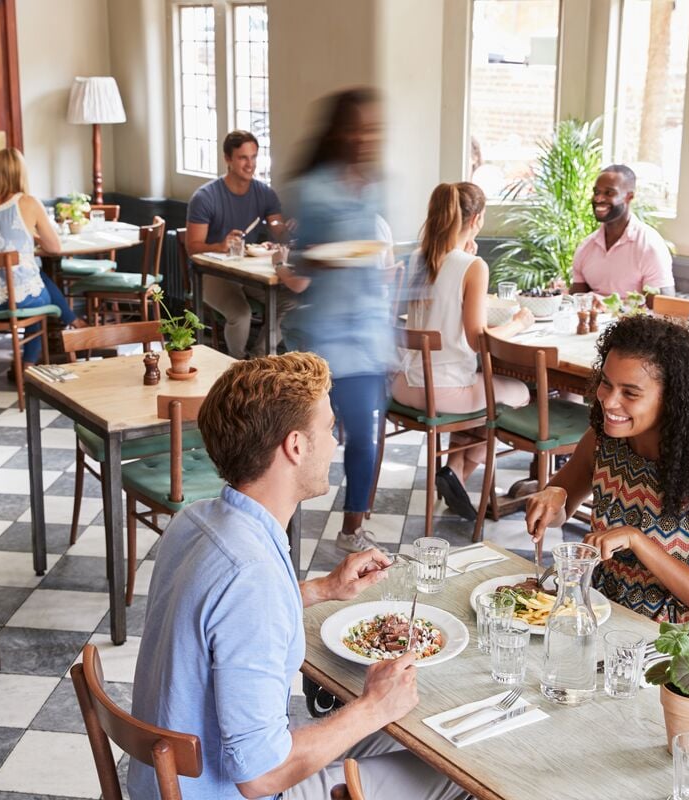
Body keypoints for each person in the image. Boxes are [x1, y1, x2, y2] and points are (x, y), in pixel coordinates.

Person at [127, 352, 466, 800]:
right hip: (226, 790)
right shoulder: (253, 576)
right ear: (295, 446)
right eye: (327, 428)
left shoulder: (197, 519)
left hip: (169, 781)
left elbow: (222, 620)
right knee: (451, 773)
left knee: (427, 737)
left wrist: (324, 589)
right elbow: (260, 775)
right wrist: (371, 706)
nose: (335, 441)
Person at [524, 314, 689, 634]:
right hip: (602, 618)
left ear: (672, 400)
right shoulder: (603, 441)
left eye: (630, 393)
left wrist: (637, 541)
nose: (608, 400)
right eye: (606, 383)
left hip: (679, 650)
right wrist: (553, 496)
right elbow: (559, 512)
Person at [278, 88, 393, 553]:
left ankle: (352, 527)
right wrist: (320, 261)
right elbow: (302, 261)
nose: (366, 137)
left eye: (373, 128)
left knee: (367, 435)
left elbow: (377, 262)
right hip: (323, 336)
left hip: (367, 334)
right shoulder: (312, 189)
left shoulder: (377, 186)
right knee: (302, 439)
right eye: (358, 127)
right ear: (339, 132)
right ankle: (280, 523)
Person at [393, 182, 533, 519]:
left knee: (482, 389)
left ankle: (454, 468)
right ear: (478, 219)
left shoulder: (417, 257)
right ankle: (458, 472)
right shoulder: (474, 266)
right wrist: (519, 322)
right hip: (441, 392)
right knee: (518, 392)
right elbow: (477, 339)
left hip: (403, 385)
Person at [0, 148, 83, 369]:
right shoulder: (29, 203)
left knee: (38, 280)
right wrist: (33, 235)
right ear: (21, 173)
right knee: (39, 290)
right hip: (18, 300)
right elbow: (55, 247)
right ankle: (28, 363)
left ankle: (75, 322)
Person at [185, 130, 293, 358]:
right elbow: (193, 247)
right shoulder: (205, 197)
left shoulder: (264, 193)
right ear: (228, 159)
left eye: (254, 157)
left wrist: (282, 230)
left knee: (289, 302)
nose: (250, 164)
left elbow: (276, 225)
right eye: (243, 158)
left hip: (247, 273)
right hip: (211, 274)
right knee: (241, 314)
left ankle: (258, 361)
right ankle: (235, 365)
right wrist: (220, 246)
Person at [569, 165, 675, 299]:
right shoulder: (586, 247)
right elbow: (577, 301)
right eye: (596, 192)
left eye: (609, 193)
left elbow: (663, 309)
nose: (598, 199)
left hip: (634, 320)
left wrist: (610, 306)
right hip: (595, 320)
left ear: (629, 197)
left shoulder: (649, 246)